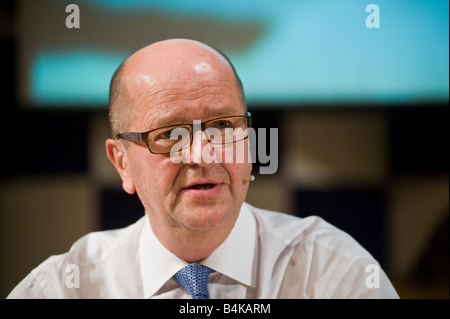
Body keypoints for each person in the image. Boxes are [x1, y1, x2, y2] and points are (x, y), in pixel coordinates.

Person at [8, 39, 399, 299]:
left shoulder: (333, 273)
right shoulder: (64, 288)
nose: (202, 153)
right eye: (169, 134)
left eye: (224, 126)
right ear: (122, 162)